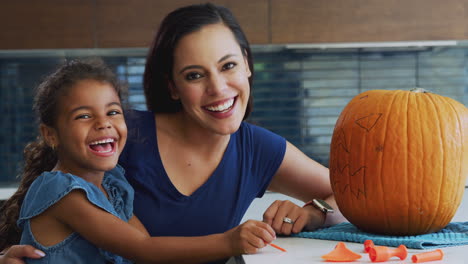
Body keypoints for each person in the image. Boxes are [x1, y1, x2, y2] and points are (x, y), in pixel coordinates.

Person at [0, 2, 346, 263]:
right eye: (195, 75)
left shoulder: (259, 149)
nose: (218, 88)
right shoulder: (119, 133)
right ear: (173, 86)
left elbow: (355, 199)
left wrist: (314, 211)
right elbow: (46, 213)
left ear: (246, 63)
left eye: (228, 66)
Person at [0, 59, 276, 263]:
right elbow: (142, 248)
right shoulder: (63, 193)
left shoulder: (113, 184)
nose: (103, 124)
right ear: (50, 135)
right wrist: (228, 241)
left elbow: (148, 250)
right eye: (84, 116)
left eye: (113, 112)